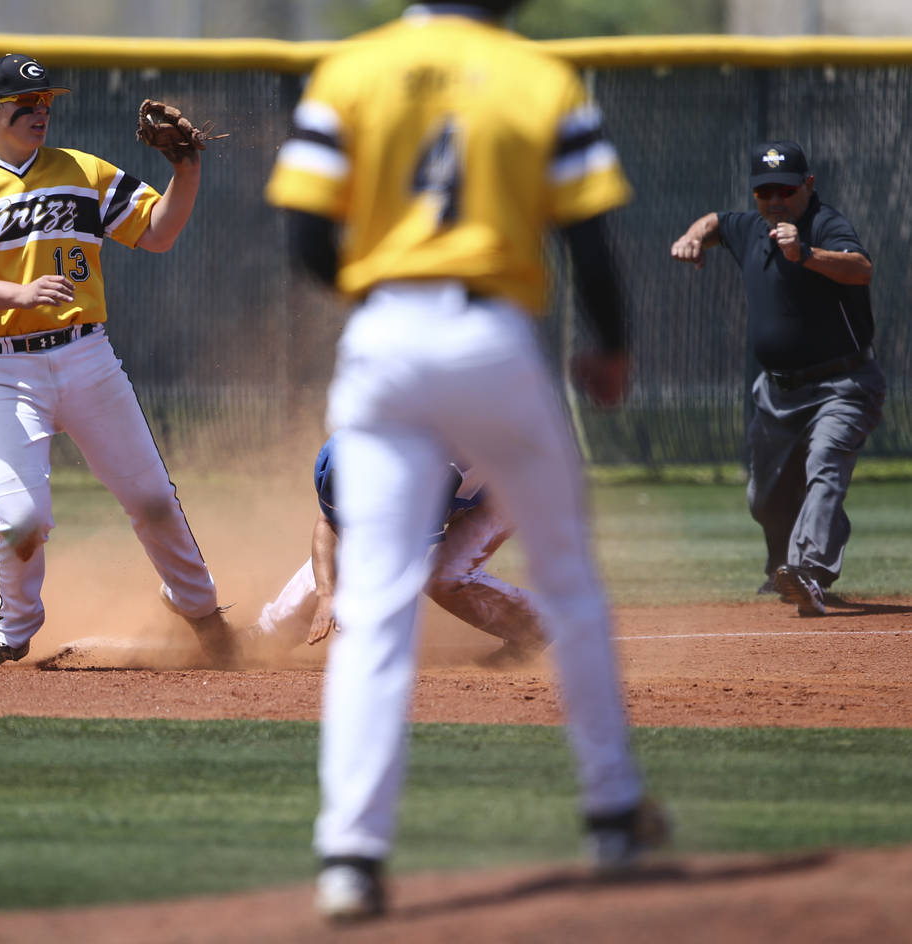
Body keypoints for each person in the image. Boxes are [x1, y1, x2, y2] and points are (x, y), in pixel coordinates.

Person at [266, 1, 669, 922]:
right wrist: (608, 344)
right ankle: (612, 813)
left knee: (373, 609)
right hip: (492, 334)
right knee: (569, 583)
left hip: (383, 338)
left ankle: (350, 858)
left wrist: (383, 296)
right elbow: (589, 240)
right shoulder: (539, 76)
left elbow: (304, 240)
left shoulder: (352, 72)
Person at [0, 54, 236, 667]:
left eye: (46, 103)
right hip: (1, 368)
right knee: (23, 518)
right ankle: (12, 629)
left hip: (87, 356)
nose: (41, 112)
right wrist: (18, 293)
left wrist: (186, 169)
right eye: (25, 104)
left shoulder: (81, 170)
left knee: (152, 501)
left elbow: (157, 233)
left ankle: (200, 611)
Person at [671, 140, 885, 617]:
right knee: (765, 496)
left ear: (807, 186)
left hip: (842, 385)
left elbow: (861, 269)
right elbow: (715, 221)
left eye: (785, 191)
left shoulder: (825, 223)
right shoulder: (750, 227)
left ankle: (809, 570)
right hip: (777, 390)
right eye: (764, 192)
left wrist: (805, 253)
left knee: (825, 467)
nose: (775, 201)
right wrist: (692, 236)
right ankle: (783, 566)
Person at [250, 434, 546, 669]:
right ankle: (264, 639)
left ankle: (535, 626)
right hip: (459, 480)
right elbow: (328, 521)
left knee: (445, 578)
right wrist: (327, 596)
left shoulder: (426, 474)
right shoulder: (343, 450)